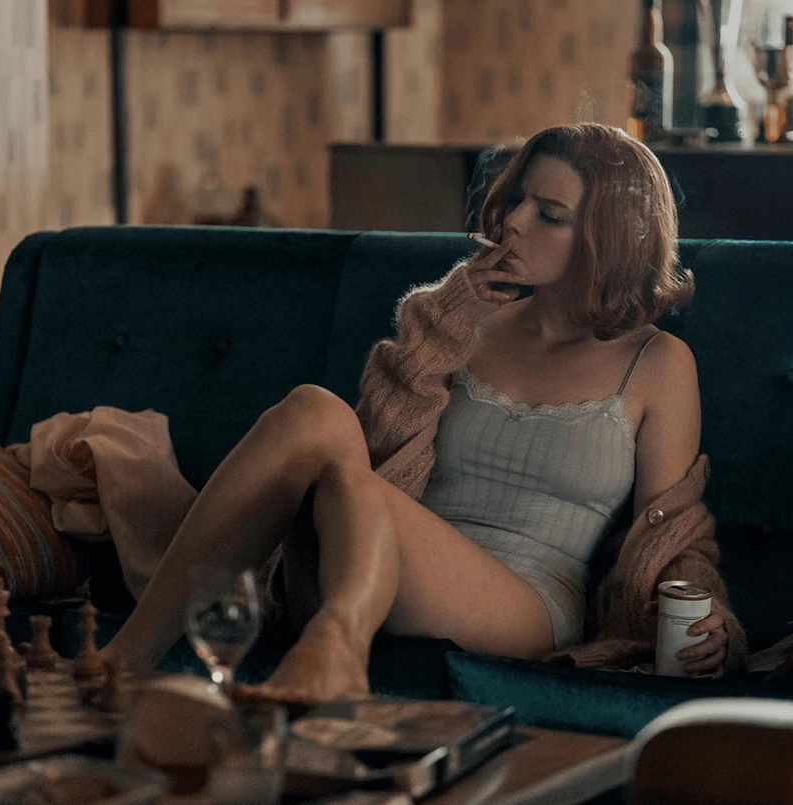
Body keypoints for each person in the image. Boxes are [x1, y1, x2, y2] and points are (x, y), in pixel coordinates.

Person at [102, 124, 745, 701]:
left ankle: (336, 650)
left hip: (526, 603)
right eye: (518, 199)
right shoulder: (464, 320)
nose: (514, 222)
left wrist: (708, 618)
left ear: (608, 239)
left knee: (356, 486)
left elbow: (671, 529)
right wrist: (446, 320)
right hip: (366, 550)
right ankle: (125, 658)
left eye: (549, 214)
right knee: (314, 411)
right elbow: (376, 455)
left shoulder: (657, 363)